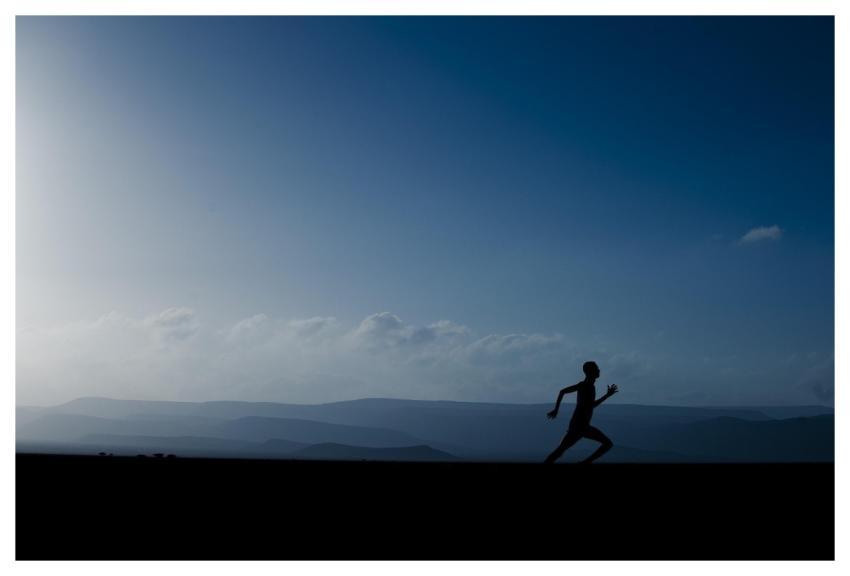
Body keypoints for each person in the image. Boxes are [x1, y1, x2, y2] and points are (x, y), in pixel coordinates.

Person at [544, 361, 618, 464]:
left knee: (559, 451)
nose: (599, 370)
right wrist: (556, 410)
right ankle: (586, 462)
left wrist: (556, 410)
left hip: (578, 425)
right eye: (596, 369)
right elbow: (590, 405)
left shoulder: (588, 386)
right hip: (580, 426)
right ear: (590, 372)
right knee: (607, 444)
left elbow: (563, 392)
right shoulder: (585, 386)